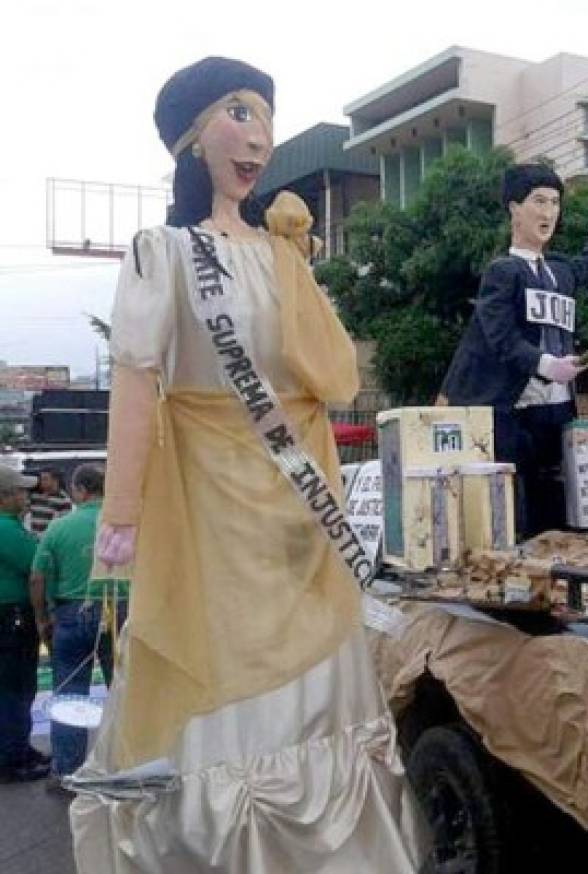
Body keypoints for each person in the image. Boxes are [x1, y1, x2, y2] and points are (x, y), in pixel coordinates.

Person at [71, 57, 424, 871]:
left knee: (320, 691)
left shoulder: (279, 257)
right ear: (194, 137)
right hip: (210, 514)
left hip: (301, 511)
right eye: (238, 112)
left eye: (265, 115)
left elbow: (331, 377)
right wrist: (120, 514)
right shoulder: (160, 252)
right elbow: (134, 383)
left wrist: (296, 261)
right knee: (220, 682)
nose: (259, 135)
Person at [440, 163, 588, 537]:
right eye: (538, 201)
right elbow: (501, 338)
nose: (548, 212)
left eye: (555, 202)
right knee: (516, 511)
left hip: (557, 410)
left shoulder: (560, 272)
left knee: (558, 506)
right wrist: (545, 363)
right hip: (513, 412)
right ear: (514, 208)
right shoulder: (503, 271)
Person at [29, 465, 129, 787]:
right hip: (120, 613)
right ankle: (124, 766)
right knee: (124, 692)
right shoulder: (125, 528)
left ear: (79, 490)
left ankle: (67, 771)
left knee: (69, 695)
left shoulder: (60, 528)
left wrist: (42, 618)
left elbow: (37, 577)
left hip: (73, 615)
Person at [0, 466, 49, 783]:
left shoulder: (11, 527)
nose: (26, 496)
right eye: (20, 491)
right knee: (16, 687)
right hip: (11, 616)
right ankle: (12, 757)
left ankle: (18, 747)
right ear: (3, 497)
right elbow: (37, 563)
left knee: (14, 687)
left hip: (9, 616)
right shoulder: (6, 529)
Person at [27, 469, 71, 537]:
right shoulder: (34, 496)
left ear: (55, 480)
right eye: (41, 479)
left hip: (49, 540)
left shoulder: (64, 500)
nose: (42, 482)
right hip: (33, 539)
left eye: (45, 479)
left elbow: (64, 525)